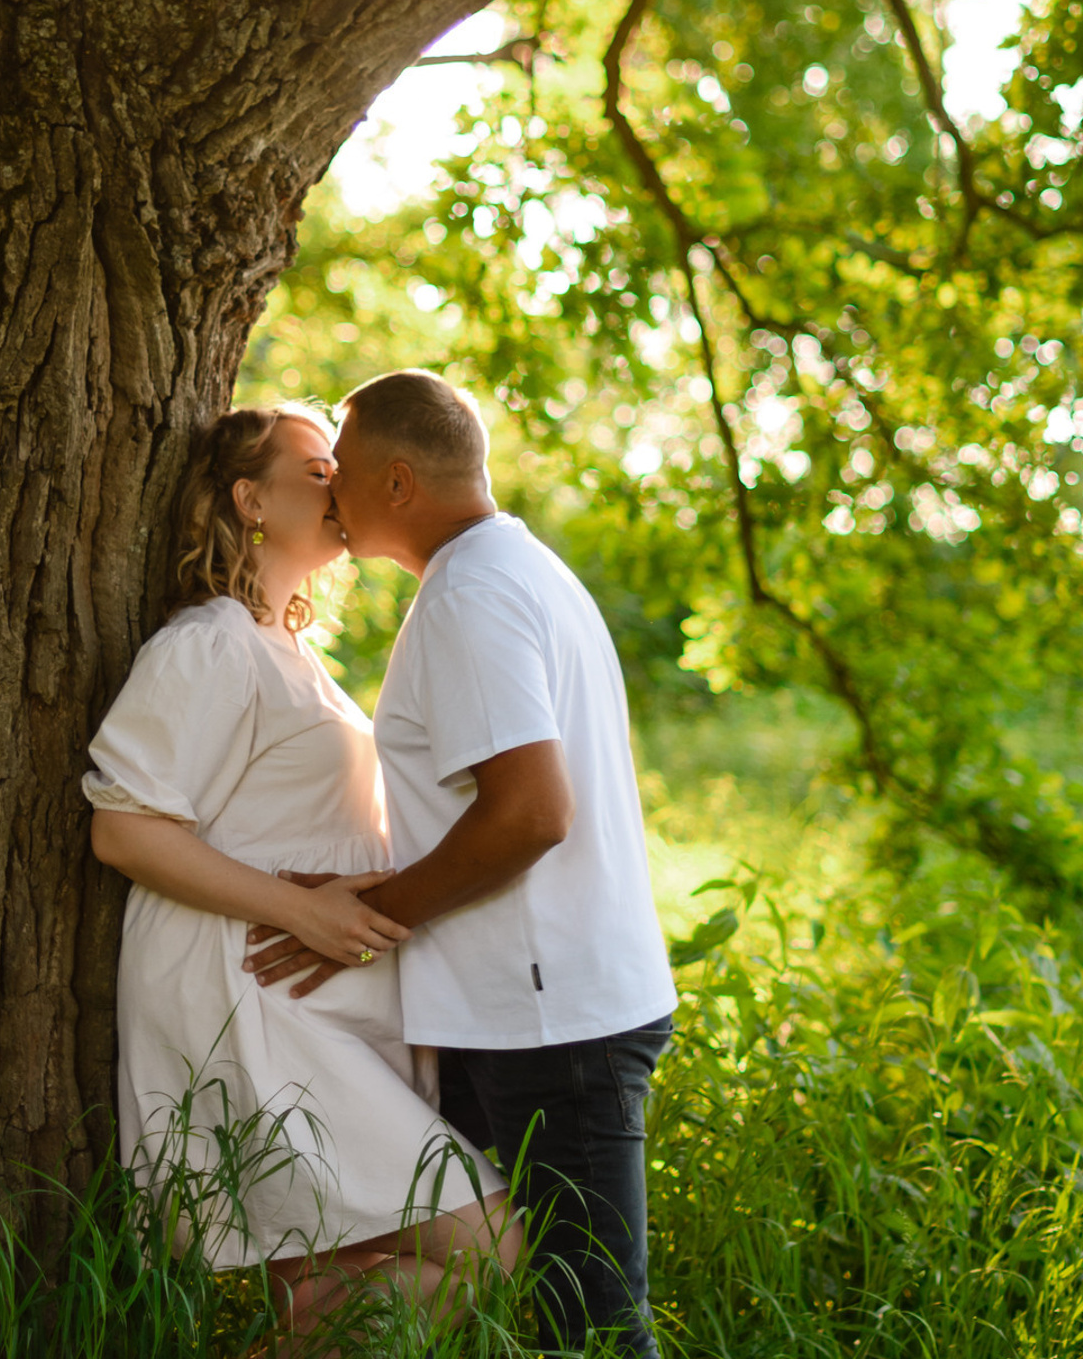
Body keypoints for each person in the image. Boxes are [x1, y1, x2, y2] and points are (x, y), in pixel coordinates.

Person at [245, 370, 678, 1359]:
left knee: (597, 1329)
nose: (330, 500)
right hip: (525, 1012)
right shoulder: (509, 570)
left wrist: (372, 918)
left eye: (341, 474)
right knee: (498, 1301)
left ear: (398, 483)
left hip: (558, 1024)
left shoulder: (472, 596)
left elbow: (530, 814)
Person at [81, 403, 518, 1350]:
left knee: (329, 1295)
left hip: (312, 1001)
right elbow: (124, 830)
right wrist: (303, 913)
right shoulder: (209, 644)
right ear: (250, 501)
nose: (341, 480)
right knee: (491, 1252)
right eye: (318, 467)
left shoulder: (288, 655)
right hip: (250, 1002)